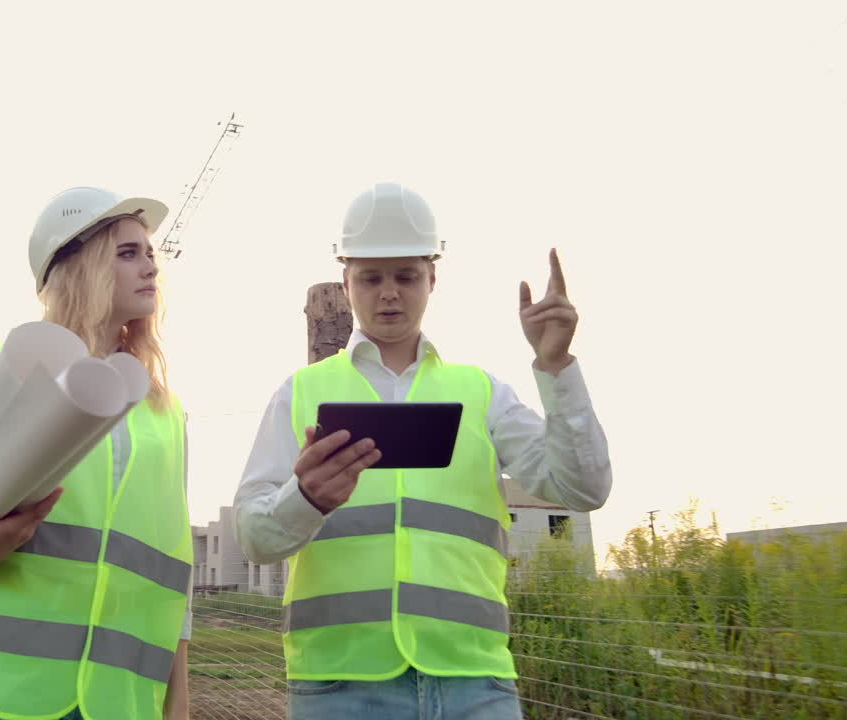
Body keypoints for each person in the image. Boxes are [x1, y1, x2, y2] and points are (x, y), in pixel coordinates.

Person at [232, 182, 612, 719]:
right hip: (340, 686)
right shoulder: (300, 394)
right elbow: (253, 537)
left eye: (406, 276)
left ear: (432, 278)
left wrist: (556, 368)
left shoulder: (481, 391)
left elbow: (584, 487)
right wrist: (306, 499)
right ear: (346, 283)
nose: (389, 292)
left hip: (474, 683)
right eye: (371, 277)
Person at [0, 186, 194, 720]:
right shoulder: (5, 367)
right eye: (127, 253)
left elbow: (171, 573)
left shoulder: (164, 410)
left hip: (121, 704)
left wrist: (177, 704)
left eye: (151, 254)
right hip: (3, 695)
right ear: (77, 267)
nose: (151, 268)